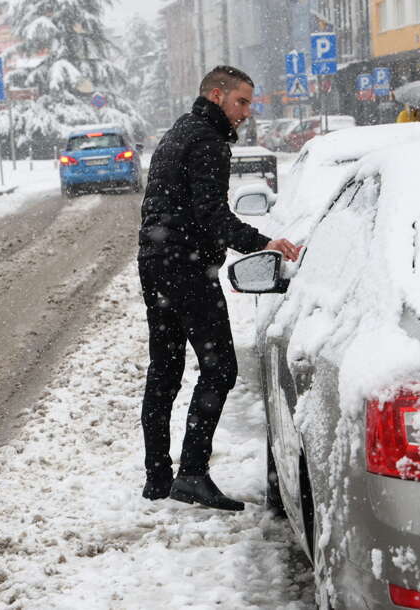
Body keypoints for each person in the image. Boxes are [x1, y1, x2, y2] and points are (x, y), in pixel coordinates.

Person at [137, 66, 301, 511]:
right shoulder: (208, 140)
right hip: (186, 266)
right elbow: (211, 213)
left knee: (164, 370)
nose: (247, 112)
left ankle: (157, 478)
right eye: (242, 102)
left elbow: (167, 203)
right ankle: (191, 473)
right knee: (220, 366)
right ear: (216, 95)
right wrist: (263, 242)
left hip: (156, 262)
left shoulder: (178, 132)